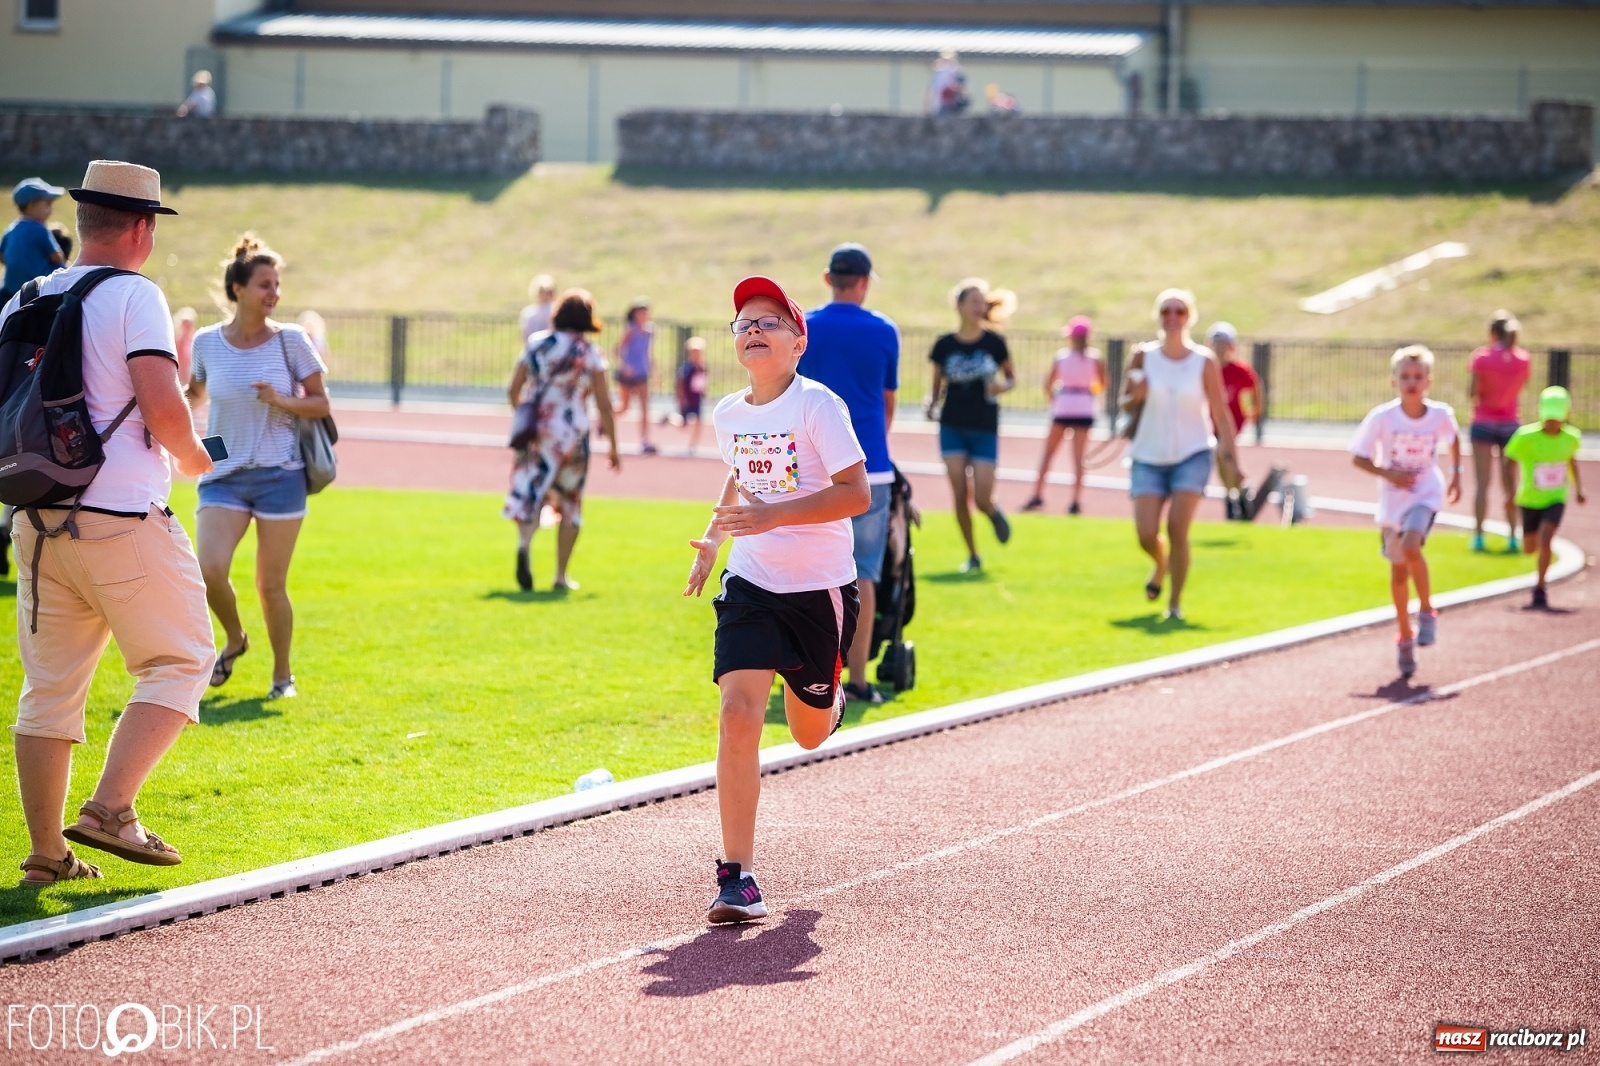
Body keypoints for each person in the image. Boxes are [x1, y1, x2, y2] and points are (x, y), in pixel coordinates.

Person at [6, 160, 215, 884]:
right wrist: (193, 457)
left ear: (84, 219)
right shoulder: (135, 295)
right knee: (184, 659)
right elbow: (161, 402)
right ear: (141, 227)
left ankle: (45, 856)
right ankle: (110, 809)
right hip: (119, 513)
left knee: (49, 690)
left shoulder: (25, 295)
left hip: (34, 518)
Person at [683, 275, 869, 924]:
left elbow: (856, 494)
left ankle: (831, 696)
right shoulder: (728, 415)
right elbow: (742, 472)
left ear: (798, 341)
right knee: (738, 715)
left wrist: (776, 517)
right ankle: (737, 876)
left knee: (809, 735)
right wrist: (714, 540)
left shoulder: (820, 407)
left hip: (819, 590)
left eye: (769, 320)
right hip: (752, 584)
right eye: (743, 323)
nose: (754, 329)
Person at [186, 235, 329, 701]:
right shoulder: (207, 343)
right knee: (210, 569)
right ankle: (234, 638)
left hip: (280, 475)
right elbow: (193, 397)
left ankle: (282, 676)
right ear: (238, 289)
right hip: (222, 471)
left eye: (277, 285)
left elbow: (322, 404)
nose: (274, 294)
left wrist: (281, 399)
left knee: (271, 586)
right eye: (264, 284)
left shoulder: (292, 341)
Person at [799, 242, 900, 705]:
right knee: (864, 575)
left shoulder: (806, 328)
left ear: (827, 279)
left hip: (812, 467)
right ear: (862, 283)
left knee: (805, 571)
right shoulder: (884, 331)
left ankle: (806, 673)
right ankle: (857, 678)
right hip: (870, 468)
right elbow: (888, 403)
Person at [1119, 289, 1241, 621]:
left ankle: (1174, 605)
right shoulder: (1143, 356)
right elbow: (1123, 403)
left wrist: (1233, 457)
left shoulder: (1203, 360)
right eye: (1166, 312)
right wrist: (1137, 395)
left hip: (1193, 452)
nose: (1172, 318)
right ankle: (1160, 564)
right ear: (1158, 317)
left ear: (1190, 317)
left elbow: (1220, 412)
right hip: (1147, 453)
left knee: (1177, 528)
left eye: (1180, 312)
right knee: (1146, 533)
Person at [1350, 345, 1461, 679]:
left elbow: (1454, 440)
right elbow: (1358, 456)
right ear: (1393, 381)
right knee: (1399, 573)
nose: (1412, 382)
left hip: (1425, 494)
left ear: (1429, 381)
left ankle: (1427, 610)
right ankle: (1404, 633)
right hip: (1393, 502)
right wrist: (1389, 474)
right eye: (1405, 377)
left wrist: (1458, 474)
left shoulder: (1440, 415)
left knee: (1413, 546)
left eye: (1418, 377)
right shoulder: (1383, 418)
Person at [504, 288, 621, 591]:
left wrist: (527, 415)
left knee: (532, 492)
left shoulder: (536, 344)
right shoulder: (589, 352)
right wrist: (613, 446)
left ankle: (524, 545)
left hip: (536, 434)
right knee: (570, 504)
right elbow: (604, 404)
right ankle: (560, 575)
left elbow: (513, 389)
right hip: (572, 435)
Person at [927, 278, 1016, 573]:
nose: (979, 307)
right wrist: (931, 405)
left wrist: (1000, 388)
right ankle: (973, 554)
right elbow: (937, 387)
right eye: (973, 301)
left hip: (984, 426)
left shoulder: (994, 343)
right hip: (952, 424)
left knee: (980, 496)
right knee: (958, 493)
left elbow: (1012, 379)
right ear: (960, 306)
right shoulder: (944, 345)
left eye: (982, 301)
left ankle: (992, 511)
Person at [1504, 386, 1585, 608]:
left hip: (1555, 497)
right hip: (1529, 499)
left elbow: (1571, 460)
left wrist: (1578, 489)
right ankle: (1539, 557)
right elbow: (1508, 461)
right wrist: (1509, 493)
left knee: (1546, 537)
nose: (1552, 423)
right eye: (1549, 418)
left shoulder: (1571, 438)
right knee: (1530, 546)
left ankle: (1540, 587)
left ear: (1566, 414)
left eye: (1557, 419)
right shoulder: (1525, 437)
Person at [1024, 314, 1104, 515]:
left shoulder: (1062, 357)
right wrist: (1087, 391)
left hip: (1064, 405)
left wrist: (1057, 399)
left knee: (1048, 453)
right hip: (1084, 407)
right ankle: (1075, 500)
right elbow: (1103, 384)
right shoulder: (1095, 358)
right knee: (1078, 458)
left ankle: (1037, 494)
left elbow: (1048, 384)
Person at [1467, 309, 1531, 553]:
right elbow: (1520, 388)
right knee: (1510, 485)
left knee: (1482, 484)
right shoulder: (1523, 359)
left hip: (1483, 421)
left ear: (1492, 333)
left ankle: (1479, 537)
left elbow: (1473, 392)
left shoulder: (1481, 358)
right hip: (1511, 423)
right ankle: (1513, 537)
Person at [1, 177, 67, 306]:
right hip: (36, 290)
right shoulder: (40, 229)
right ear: (31, 205)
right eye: (48, 205)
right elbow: (57, 257)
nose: (51, 210)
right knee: (62, 268)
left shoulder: (11, 230)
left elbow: (2, 257)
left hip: (11, 289)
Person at [614, 298, 657, 455]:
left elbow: (647, 351)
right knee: (624, 407)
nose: (643, 315)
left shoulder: (650, 330)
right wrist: (625, 366)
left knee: (645, 407)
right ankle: (604, 418)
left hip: (642, 373)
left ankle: (645, 441)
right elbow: (618, 349)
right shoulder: (630, 329)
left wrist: (653, 367)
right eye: (640, 312)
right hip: (628, 373)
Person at [1208, 321, 1261, 442]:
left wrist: (1255, 407)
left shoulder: (1238, 370)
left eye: (1223, 343)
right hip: (1208, 421)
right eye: (1216, 343)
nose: (1219, 347)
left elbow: (1255, 384)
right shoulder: (1205, 369)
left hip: (1232, 421)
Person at [676, 335, 709, 455]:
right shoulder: (687, 368)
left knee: (699, 421)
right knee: (683, 425)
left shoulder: (702, 367)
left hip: (697, 400)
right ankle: (670, 418)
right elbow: (680, 383)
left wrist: (705, 393)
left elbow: (702, 383)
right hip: (687, 399)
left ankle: (693, 445)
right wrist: (681, 398)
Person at [926, 50, 969, 114]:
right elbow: (933, 90)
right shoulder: (937, 75)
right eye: (945, 61)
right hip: (940, 105)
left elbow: (963, 91)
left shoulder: (958, 74)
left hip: (954, 106)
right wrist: (928, 105)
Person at [519, 274, 555, 343]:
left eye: (547, 292)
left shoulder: (555, 310)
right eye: (542, 292)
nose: (544, 296)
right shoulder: (528, 313)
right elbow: (526, 335)